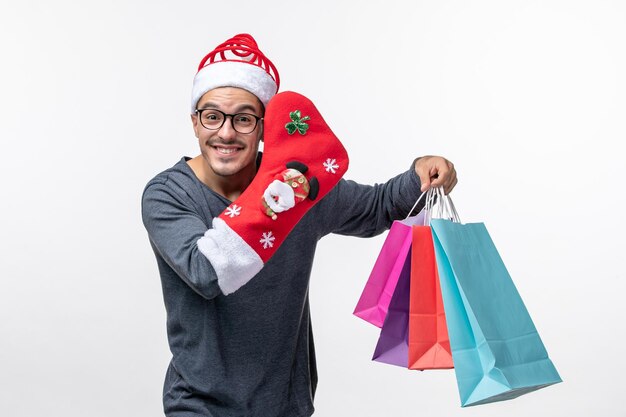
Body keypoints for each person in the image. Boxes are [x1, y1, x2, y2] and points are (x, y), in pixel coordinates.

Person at [141, 33, 457, 417]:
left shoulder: (300, 185)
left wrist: (422, 170)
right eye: (212, 116)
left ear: (263, 126)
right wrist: (281, 194)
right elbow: (206, 271)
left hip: (286, 405)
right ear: (195, 123)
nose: (225, 133)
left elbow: (377, 206)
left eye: (243, 119)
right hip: (198, 406)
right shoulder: (168, 194)